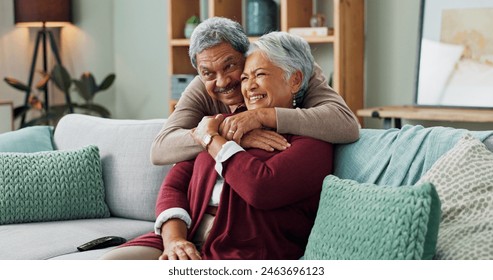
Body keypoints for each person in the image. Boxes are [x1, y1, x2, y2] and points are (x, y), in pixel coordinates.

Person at [101, 31, 334, 260]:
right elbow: (174, 185)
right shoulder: (228, 123)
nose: (249, 86)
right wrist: (175, 241)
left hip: (242, 247)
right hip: (188, 233)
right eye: (245, 77)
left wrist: (211, 139)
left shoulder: (312, 140)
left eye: (260, 74)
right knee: (109, 265)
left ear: (294, 80)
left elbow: (261, 188)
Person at [151, 17, 359, 165]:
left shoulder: (296, 72)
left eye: (230, 66)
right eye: (208, 73)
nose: (222, 81)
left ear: (248, 55)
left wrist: (261, 116)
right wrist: (232, 135)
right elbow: (160, 149)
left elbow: (346, 124)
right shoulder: (201, 87)